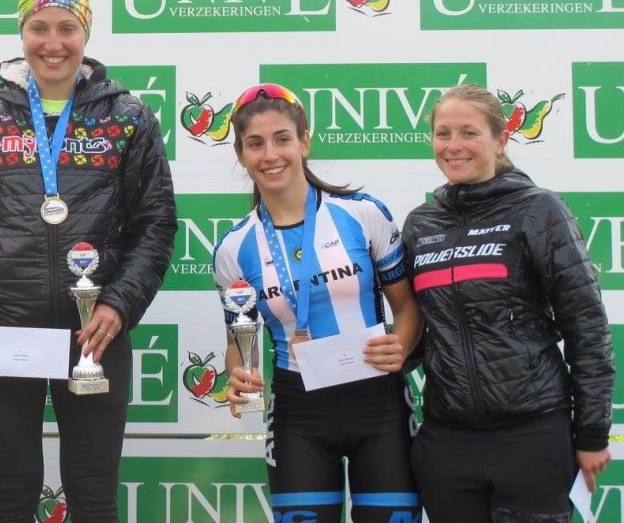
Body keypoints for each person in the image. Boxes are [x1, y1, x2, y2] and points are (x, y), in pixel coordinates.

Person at [0, 0, 177, 523]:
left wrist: (118, 304)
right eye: (38, 27)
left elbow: (155, 222)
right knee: (12, 496)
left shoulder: (128, 116)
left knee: (93, 498)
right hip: (2, 330)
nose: (52, 43)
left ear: (85, 33)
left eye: (66, 27)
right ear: (22, 34)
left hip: (92, 333)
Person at [402, 84, 614, 522]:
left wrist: (592, 433)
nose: (453, 146)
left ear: (500, 140)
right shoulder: (421, 223)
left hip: (532, 433)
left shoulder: (539, 210)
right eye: (443, 134)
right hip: (447, 439)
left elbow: (587, 326)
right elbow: (421, 330)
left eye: (468, 133)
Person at [213, 83, 423, 523]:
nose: (271, 155)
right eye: (256, 144)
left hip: (379, 401)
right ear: (240, 155)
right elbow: (240, 339)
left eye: (282, 139)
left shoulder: (363, 214)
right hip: (298, 412)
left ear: (304, 142)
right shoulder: (234, 248)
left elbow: (407, 309)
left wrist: (401, 345)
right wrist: (238, 372)